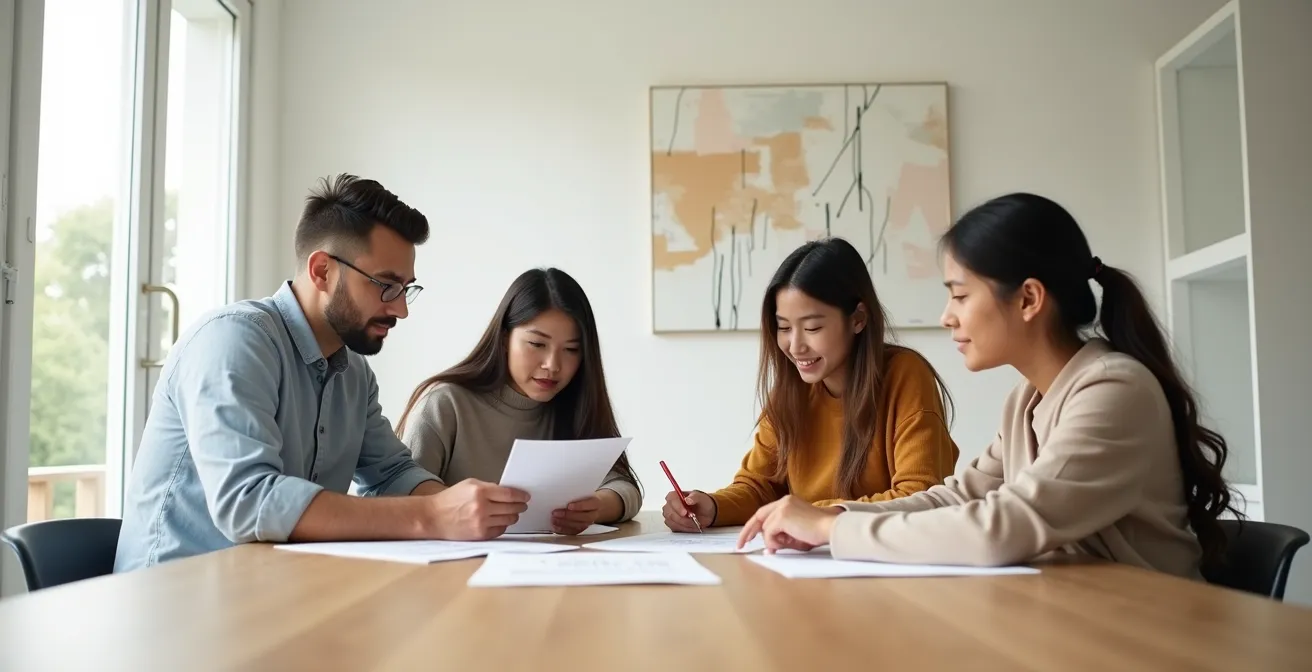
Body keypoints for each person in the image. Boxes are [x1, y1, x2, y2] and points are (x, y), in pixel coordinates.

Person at [737, 193, 1239, 580]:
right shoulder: (1028, 399)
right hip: (1074, 618)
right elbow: (955, 496)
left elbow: (1002, 527)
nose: (947, 317)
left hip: (1151, 634)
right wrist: (834, 516)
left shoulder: (1113, 391)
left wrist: (829, 527)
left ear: (1028, 299)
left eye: (960, 295)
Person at [114, 174, 530, 572]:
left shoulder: (354, 374)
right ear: (322, 271)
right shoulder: (234, 340)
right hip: (173, 605)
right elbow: (248, 502)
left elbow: (391, 473)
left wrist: (461, 507)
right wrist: (430, 515)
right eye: (386, 285)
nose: (400, 308)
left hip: (270, 591)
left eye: (406, 289)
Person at [661, 237, 959, 532]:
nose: (795, 346)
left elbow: (920, 496)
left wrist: (809, 515)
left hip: (888, 563)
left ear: (857, 318)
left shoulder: (905, 375)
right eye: (784, 328)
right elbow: (760, 486)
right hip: (812, 558)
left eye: (812, 327)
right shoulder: (792, 390)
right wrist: (712, 507)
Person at [395, 268, 642, 535]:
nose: (553, 365)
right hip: (455, 565)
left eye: (571, 349)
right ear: (504, 340)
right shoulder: (446, 404)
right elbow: (402, 495)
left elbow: (625, 488)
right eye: (537, 344)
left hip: (552, 563)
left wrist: (596, 507)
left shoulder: (573, 404)